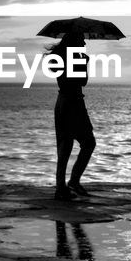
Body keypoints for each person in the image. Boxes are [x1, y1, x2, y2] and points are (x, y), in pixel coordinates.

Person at [50, 32, 94, 200]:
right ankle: (71, 182)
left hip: (63, 102)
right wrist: (84, 63)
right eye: (81, 38)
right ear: (74, 40)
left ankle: (62, 186)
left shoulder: (60, 57)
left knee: (64, 146)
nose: (84, 41)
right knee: (88, 143)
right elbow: (81, 81)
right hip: (73, 103)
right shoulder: (74, 57)